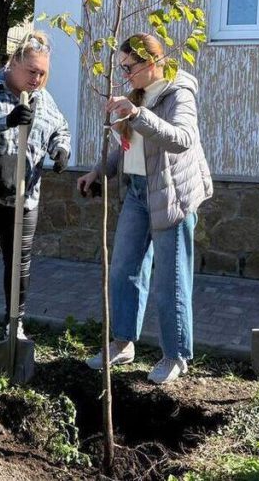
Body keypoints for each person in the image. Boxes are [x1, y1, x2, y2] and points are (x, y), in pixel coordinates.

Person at [77, 33, 213, 384]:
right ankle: (123, 342)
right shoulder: (135, 94)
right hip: (137, 192)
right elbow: (128, 148)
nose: (125, 74)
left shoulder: (178, 93)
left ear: (151, 61)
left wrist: (137, 113)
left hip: (171, 196)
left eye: (129, 67)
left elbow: (181, 139)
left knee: (170, 281)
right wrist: (99, 171)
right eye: (121, 67)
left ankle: (176, 355)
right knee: (124, 269)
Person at [0, 31, 71, 352]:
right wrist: (5, 120)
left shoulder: (43, 98)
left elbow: (59, 127)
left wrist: (61, 149)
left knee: (19, 262)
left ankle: (14, 323)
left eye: (42, 73)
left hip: (25, 195)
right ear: (14, 62)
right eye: (31, 70)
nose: (37, 78)